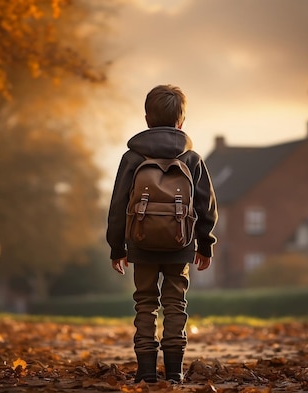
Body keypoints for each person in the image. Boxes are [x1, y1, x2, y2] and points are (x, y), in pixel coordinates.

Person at [106, 84, 218, 384]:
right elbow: (206, 206)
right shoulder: (191, 159)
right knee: (175, 305)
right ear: (181, 122)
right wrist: (205, 245)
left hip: (140, 245)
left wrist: (117, 248)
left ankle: (145, 372)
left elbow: (118, 205)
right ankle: (174, 371)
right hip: (179, 246)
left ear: (146, 119)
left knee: (145, 303)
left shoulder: (132, 158)